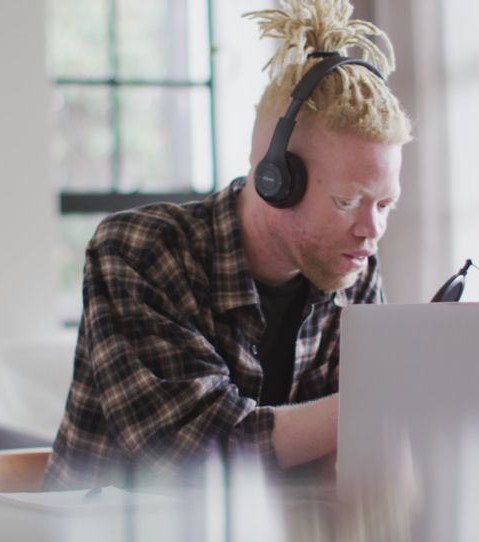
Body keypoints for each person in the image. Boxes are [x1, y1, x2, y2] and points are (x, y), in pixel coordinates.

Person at [42, 0, 412, 490]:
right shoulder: (137, 253)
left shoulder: (353, 267)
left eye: (385, 205)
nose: (371, 229)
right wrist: (380, 405)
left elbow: (357, 458)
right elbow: (192, 452)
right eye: (348, 200)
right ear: (276, 179)